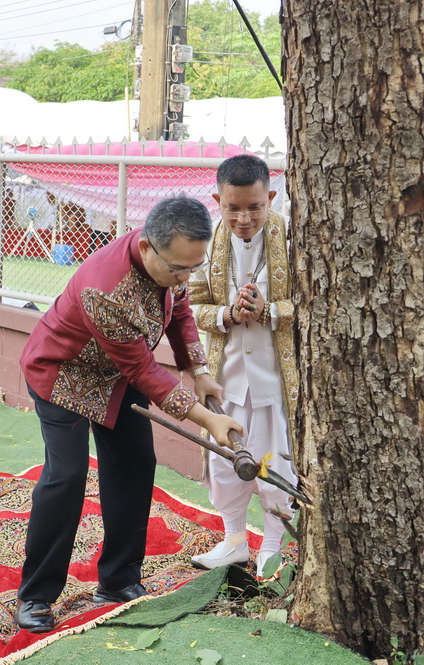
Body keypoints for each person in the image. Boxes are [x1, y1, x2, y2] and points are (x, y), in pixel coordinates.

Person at [15, 195, 243, 634]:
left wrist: (198, 370)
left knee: (136, 463)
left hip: (116, 376)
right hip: (63, 373)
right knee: (66, 477)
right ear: (145, 247)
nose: (185, 277)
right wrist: (207, 419)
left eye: (193, 268)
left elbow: (180, 311)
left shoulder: (173, 257)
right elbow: (143, 371)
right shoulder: (105, 289)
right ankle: (36, 595)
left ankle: (118, 581)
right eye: (178, 269)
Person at [188, 154, 299, 578]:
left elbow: (312, 302)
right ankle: (234, 539)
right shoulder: (207, 241)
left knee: (276, 462)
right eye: (233, 208)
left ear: (271, 198)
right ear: (218, 201)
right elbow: (192, 305)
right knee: (223, 459)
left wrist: (270, 311)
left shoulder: (292, 238)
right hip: (227, 376)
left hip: (276, 379)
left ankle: (272, 545)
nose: (244, 218)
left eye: (254, 207)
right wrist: (227, 315)